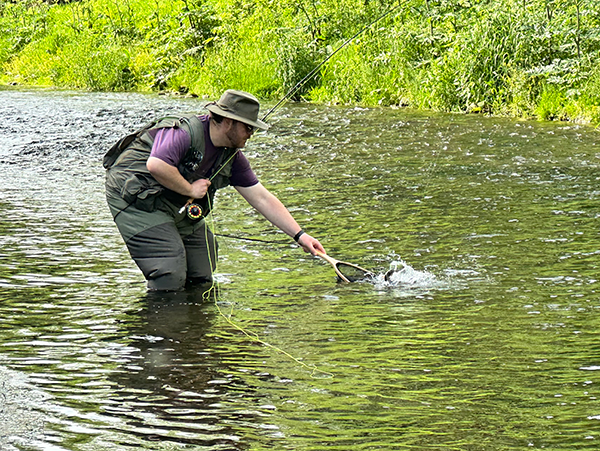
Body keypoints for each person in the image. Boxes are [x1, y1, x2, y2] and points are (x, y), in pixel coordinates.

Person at [104, 89, 325, 291]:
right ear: (229, 122)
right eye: (248, 127)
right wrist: (190, 189)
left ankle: (194, 329)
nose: (251, 134)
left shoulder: (232, 157)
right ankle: (162, 331)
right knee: (170, 270)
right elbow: (156, 165)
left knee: (203, 264)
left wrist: (300, 236)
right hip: (133, 197)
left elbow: (261, 198)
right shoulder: (183, 133)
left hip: (172, 202)